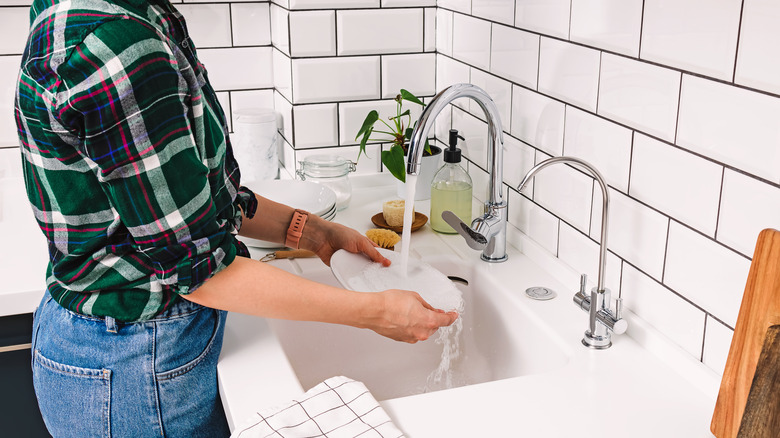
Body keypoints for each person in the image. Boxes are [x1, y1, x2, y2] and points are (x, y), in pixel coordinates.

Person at [14, 0, 458, 435]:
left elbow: (194, 203)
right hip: (130, 366)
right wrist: (374, 312)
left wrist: (313, 233)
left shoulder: (125, 14)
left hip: (117, 351)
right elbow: (201, 271)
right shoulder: (116, 46)